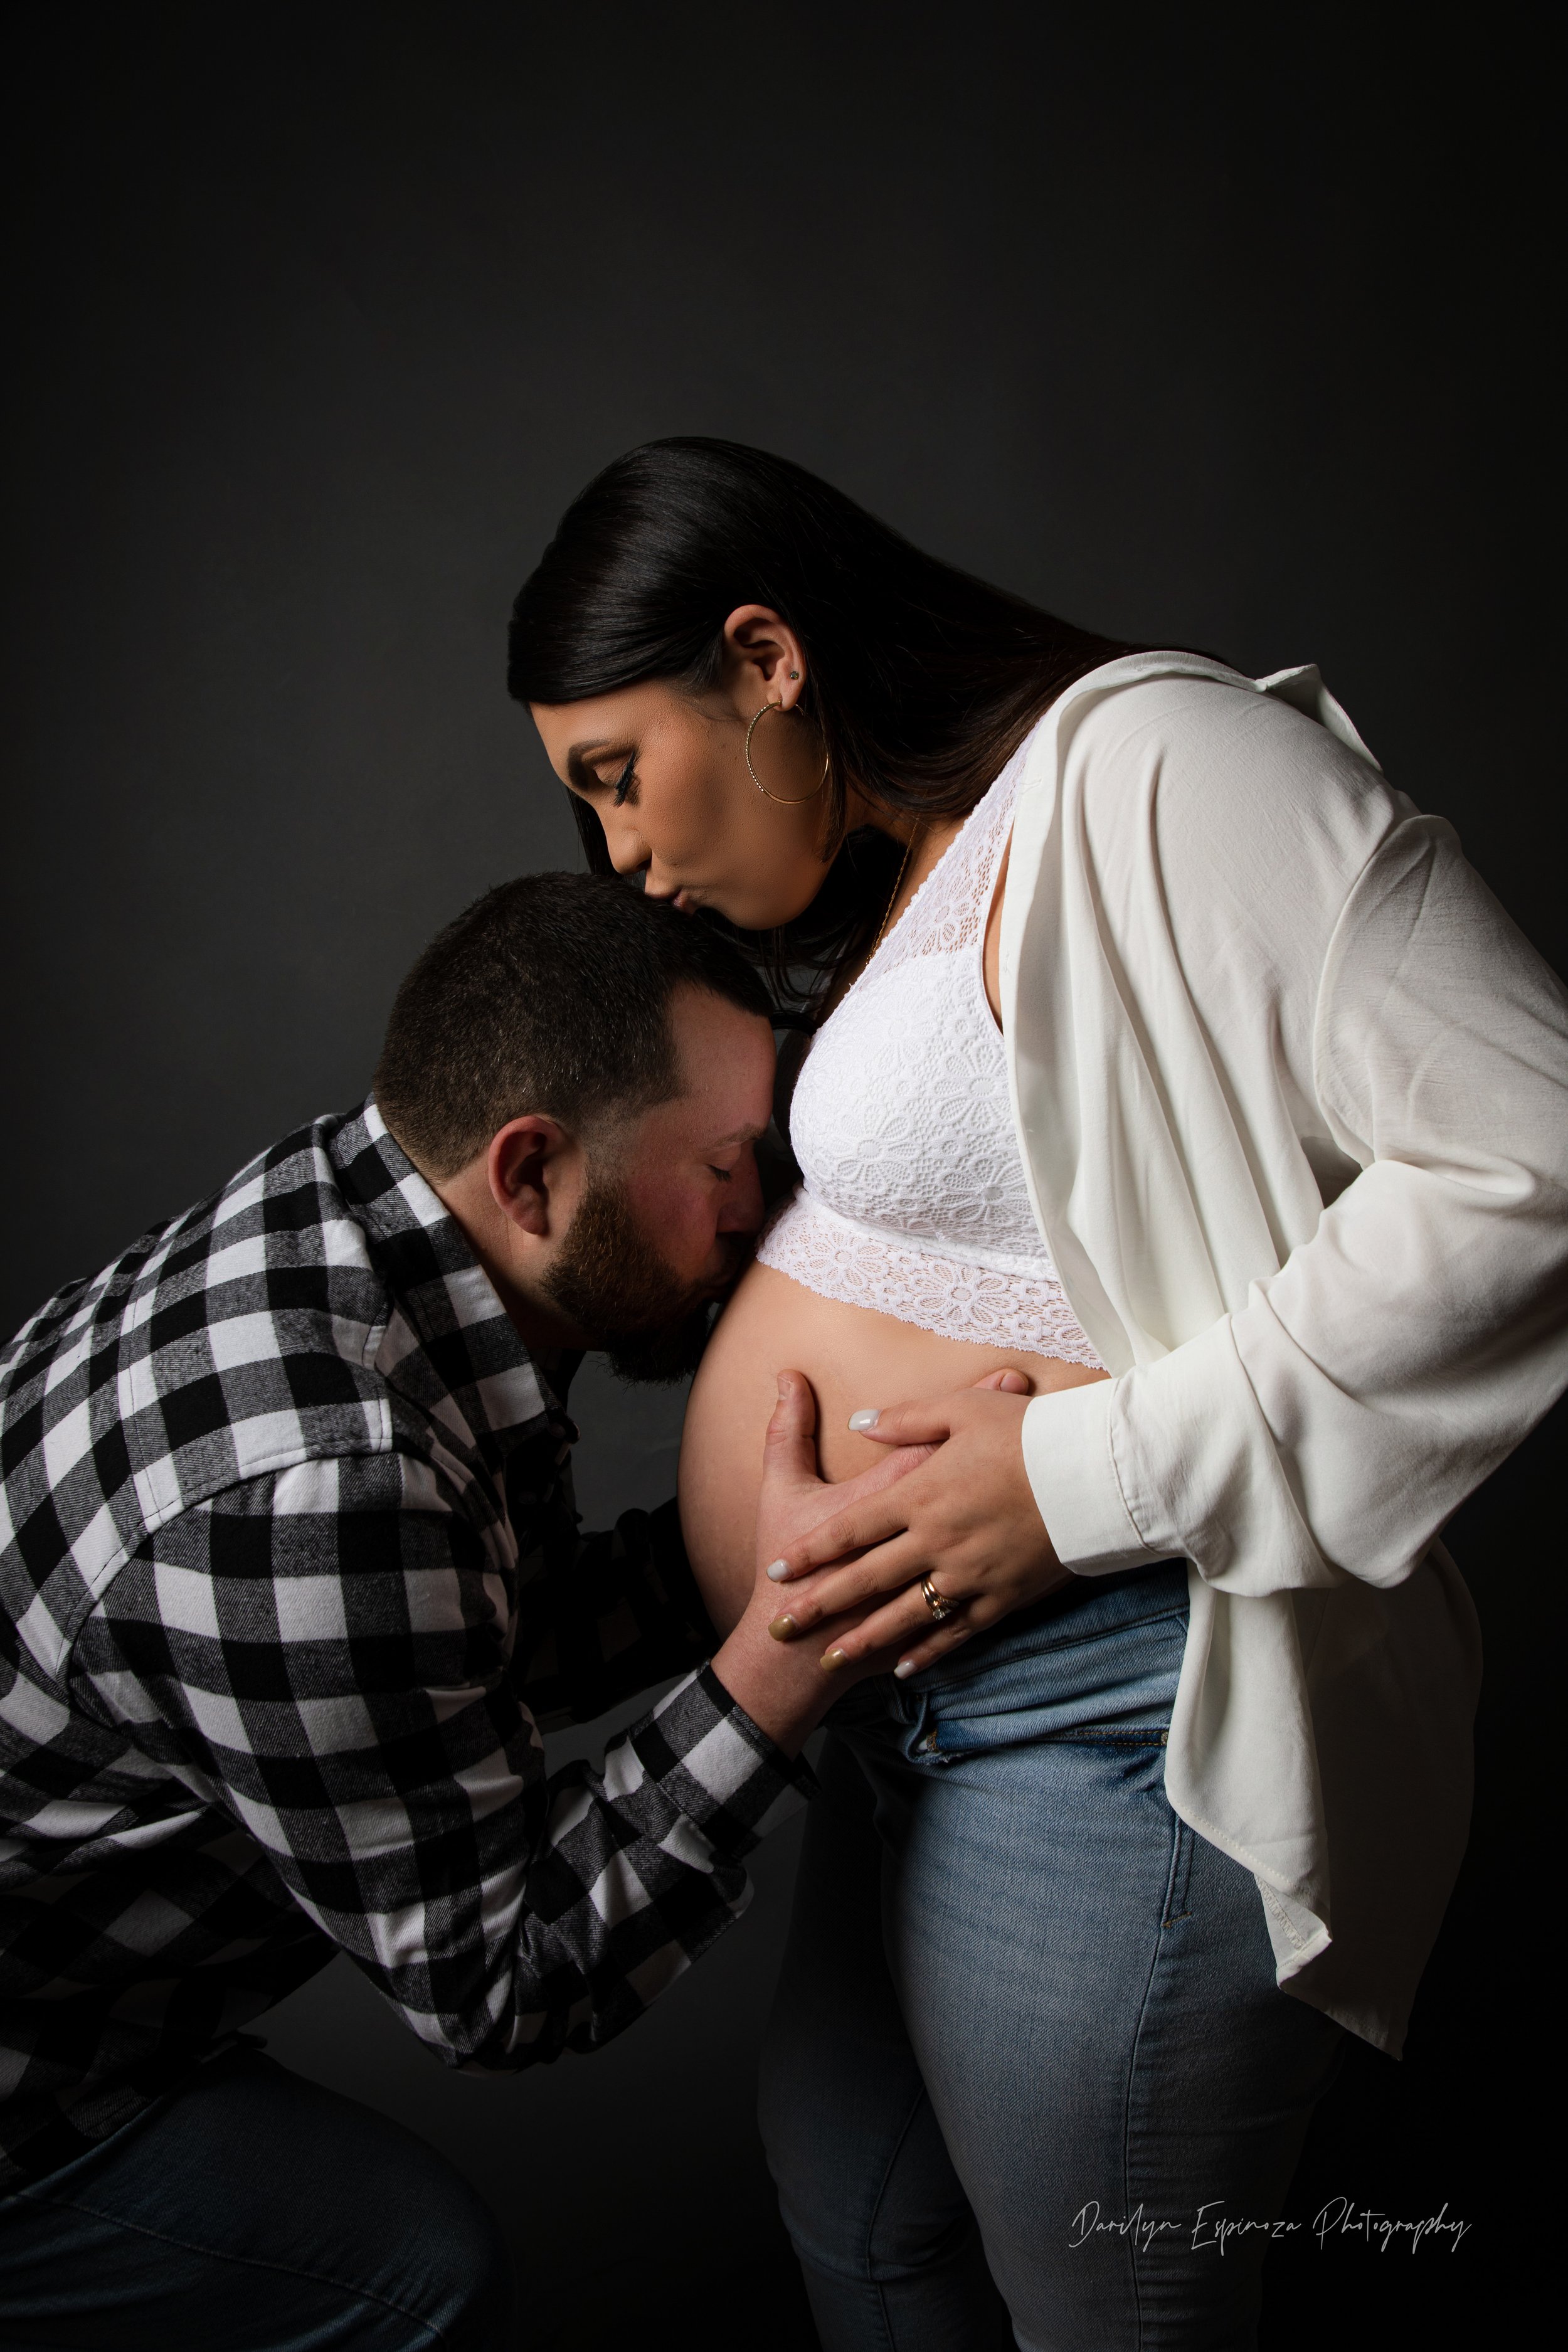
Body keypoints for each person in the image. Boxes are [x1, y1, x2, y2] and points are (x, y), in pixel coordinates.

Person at [516, 437, 1568, 2349]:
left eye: (616, 774)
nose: (621, 854)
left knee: (1108, 2312)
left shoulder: (1164, 762)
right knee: (859, 2220)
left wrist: (1075, 1476)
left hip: (1109, 1714)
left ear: (765, 656)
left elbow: (1537, 1152)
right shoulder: (929, 853)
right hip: (893, 1716)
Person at [0, 870, 985, 2349]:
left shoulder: (348, 1214)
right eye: (728, 1166)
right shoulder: (320, 1493)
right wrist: (800, 1642)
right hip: (29, 2090)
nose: (759, 1213)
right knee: (415, 2277)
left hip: (81, 1979)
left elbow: (469, 1643)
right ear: (528, 1175)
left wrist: (762, 1536)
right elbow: (508, 1982)